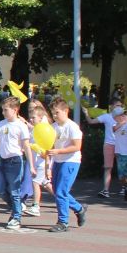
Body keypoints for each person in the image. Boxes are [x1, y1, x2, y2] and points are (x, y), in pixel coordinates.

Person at [0, 96, 34, 231]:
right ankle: (16, 208)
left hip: (16, 161)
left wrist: (32, 166)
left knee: (14, 191)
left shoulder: (21, 126)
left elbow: (26, 146)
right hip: (3, 160)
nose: (3, 113)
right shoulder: (1, 124)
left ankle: (16, 217)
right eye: (2, 110)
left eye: (6, 110)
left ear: (15, 109)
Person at [45, 98, 86, 232]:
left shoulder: (72, 127)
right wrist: (47, 164)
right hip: (58, 161)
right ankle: (79, 209)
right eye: (52, 113)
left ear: (66, 111)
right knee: (58, 192)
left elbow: (77, 146)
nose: (54, 116)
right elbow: (48, 146)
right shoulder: (53, 127)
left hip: (70, 161)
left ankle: (63, 222)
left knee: (61, 192)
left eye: (57, 113)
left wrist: (58, 151)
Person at [86, 98, 121, 198]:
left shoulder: (123, 117)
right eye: (117, 106)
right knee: (108, 167)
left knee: (122, 167)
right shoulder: (107, 116)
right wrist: (86, 113)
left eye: (120, 106)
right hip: (109, 144)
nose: (119, 108)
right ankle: (106, 190)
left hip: (120, 144)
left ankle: (125, 187)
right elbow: (91, 122)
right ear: (111, 107)